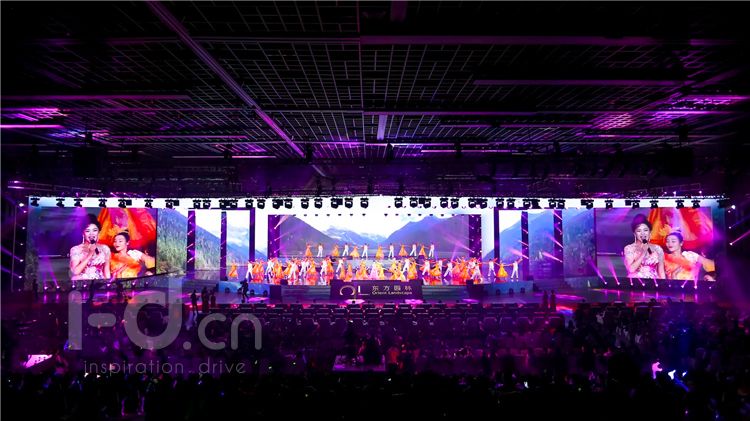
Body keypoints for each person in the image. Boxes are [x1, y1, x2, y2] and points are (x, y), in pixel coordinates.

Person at [70, 216, 111, 283]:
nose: (91, 234)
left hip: (100, 283)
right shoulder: (76, 249)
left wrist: (108, 283)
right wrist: (90, 254)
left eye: (95, 230)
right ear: (83, 233)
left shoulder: (105, 249)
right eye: (87, 231)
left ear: (98, 232)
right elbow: (75, 272)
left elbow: (106, 271)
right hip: (82, 283)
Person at [623, 215, 665, 279]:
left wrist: (664, 284)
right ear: (634, 234)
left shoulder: (657, 249)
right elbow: (631, 269)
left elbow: (661, 272)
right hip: (636, 281)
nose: (643, 233)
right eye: (639, 231)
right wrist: (643, 252)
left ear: (650, 232)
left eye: (645, 230)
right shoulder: (629, 248)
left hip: (654, 281)